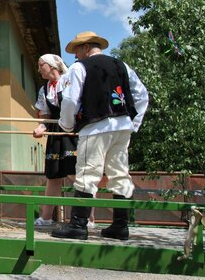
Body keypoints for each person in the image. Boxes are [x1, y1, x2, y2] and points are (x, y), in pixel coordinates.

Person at [52, 31, 149, 241]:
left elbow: (70, 100)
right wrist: (134, 124)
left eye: (77, 50)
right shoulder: (122, 65)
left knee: (88, 172)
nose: (75, 56)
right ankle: (120, 226)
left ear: (86, 48)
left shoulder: (80, 67)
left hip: (95, 127)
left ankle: (78, 225)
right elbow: (142, 95)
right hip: (122, 127)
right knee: (120, 173)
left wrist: (67, 125)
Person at [32, 54, 77, 226]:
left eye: (40, 65)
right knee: (53, 175)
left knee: (76, 175)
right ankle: (46, 217)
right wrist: (40, 129)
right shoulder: (44, 89)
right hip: (55, 133)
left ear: (51, 66)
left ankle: (87, 218)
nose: (38, 69)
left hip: (73, 132)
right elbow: (46, 117)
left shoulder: (69, 81)